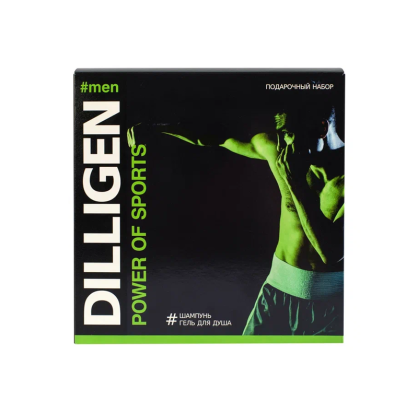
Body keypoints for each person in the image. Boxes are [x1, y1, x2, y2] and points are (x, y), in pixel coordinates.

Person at [128, 105, 344, 335]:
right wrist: (157, 128)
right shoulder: (279, 148)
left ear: (322, 128)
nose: (285, 145)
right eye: (283, 135)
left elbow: (331, 252)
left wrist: (296, 183)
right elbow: (218, 137)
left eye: (292, 135)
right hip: (275, 293)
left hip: (329, 308)